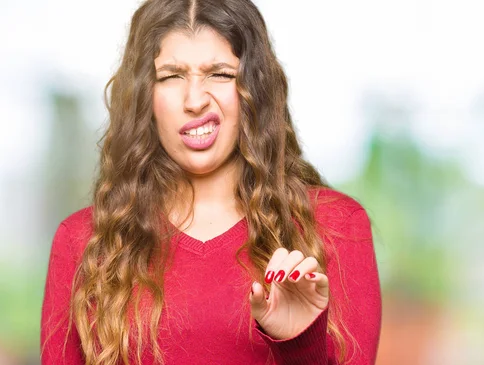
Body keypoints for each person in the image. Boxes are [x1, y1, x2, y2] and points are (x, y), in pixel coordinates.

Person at [40, 0, 382, 364]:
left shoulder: (336, 227)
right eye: (171, 76)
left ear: (254, 89)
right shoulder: (83, 242)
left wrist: (299, 345)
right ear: (144, 97)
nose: (194, 100)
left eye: (219, 74)